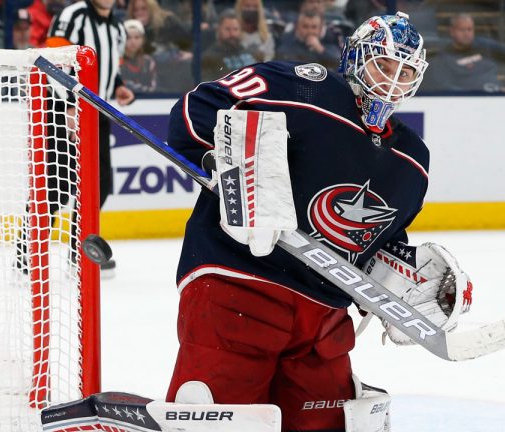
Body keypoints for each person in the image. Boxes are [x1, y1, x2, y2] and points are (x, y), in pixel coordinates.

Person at [165, 11, 472, 431]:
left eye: (405, 73)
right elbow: (196, 108)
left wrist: (413, 282)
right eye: (383, 65)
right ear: (356, 57)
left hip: (323, 318)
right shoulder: (302, 85)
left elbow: (377, 243)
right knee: (220, 420)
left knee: (329, 424)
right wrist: (228, 166)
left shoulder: (413, 161)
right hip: (237, 285)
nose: (391, 82)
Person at [48, 0, 135, 272]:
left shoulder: (118, 27)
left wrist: (118, 86)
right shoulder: (72, 16)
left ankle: (80, 253)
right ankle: (25, 254)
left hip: (97, 112)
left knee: (100, 185)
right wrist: (68, 107)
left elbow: (110, 66)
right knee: (58, 187)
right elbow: (52, 62)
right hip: (67, 111)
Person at [423, 13, 505, 92]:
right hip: (465, 102)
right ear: (452, 31)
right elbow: (443, 85)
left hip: (495, 95)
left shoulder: (485, 45)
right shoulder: (443, 55)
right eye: (462, 30)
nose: (466, 34)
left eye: (469, 29)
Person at [201, 10, 257, 80]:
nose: (232, 34)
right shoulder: (208, 58)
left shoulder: (251, 52)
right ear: (218, 30)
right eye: (227, 29)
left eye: (235, 29)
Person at [275, 9, 341, 69]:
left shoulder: (330, 41)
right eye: (305, 26)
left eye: (314, 27)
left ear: (320, 29)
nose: (310, 31)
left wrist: (320, 49)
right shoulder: (287, 42)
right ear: (297, 27)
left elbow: (339, 63)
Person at [121, 19, 158, 93]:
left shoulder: (149, 61)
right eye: (128, 37)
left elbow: (154, 88)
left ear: (143, 39)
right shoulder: (116, 61)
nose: (133, 41)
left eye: (137, 37)